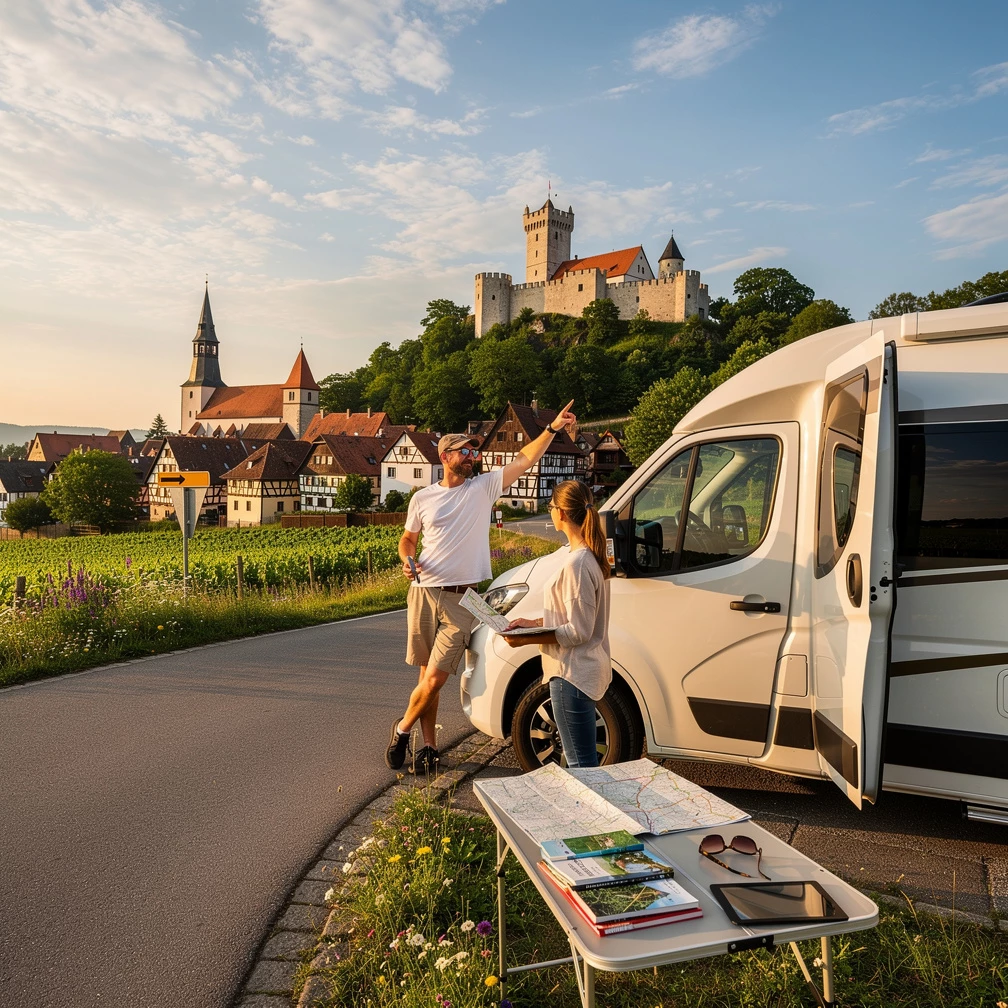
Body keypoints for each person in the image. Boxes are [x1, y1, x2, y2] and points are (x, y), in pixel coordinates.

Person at [386, 401, 579, 774]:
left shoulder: (483, 487)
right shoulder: (422, 498)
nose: (473, 456)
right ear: (445, 457)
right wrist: (406, 561)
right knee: (426, 677)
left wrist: (552, 429)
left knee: (436, 676)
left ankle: (401, 729)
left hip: (465, 599)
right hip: (424, 593)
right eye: (465, 451)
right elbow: (407, 540)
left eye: (474, 450)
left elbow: (524, 458)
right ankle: (428, 747)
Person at [504, 480, 611, 768]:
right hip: (578, 673)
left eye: (551, 507)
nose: (550, 511)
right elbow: (572, 616)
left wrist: (524, 639)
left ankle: (586, 814)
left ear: (562, 513)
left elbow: (578, 631)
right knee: (584, 762)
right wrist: (533, 622)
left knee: (580, 765)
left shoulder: (577, 564)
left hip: (570, 675)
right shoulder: (588, 557)